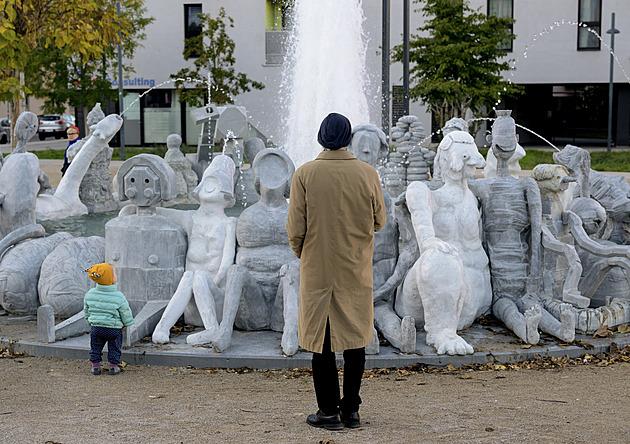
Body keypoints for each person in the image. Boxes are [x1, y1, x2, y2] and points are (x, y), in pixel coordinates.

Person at [286, 112, 386, 430]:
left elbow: (295, 229)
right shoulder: (368, 173)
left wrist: (307, 254)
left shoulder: (304, 174)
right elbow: (379, 221)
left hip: (318, 268)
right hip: (355, 267)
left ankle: (328, 411)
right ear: (348, 138)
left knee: (322, 340)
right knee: (356, 338)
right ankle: (351, 410)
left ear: (321, 137)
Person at [84, 262, 134, 375]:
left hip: (96, 328)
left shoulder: (90, 294)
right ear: (110, 278)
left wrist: (90, 321)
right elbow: (125, 312)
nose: (116, 276)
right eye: (115, 274)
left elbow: (87, 311)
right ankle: (113, 366)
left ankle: (95, 366)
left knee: (95, 347)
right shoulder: (118, 296)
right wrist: (127, 323)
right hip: (114, 329)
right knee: (114, 347)